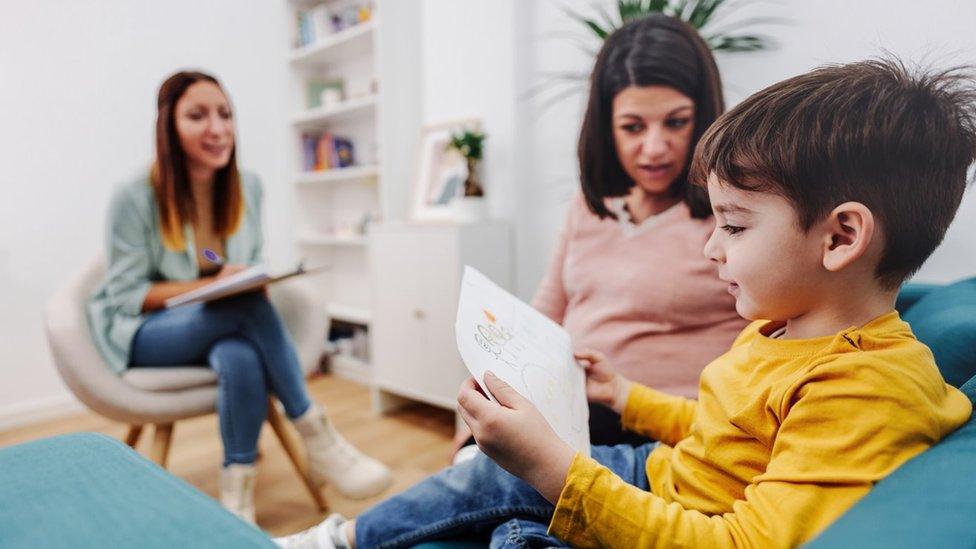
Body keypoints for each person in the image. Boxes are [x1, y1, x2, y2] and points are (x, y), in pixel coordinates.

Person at [276, 57, 975, 548]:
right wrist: (628, 394)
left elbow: (742, 540)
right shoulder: (783, 328)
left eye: (732, 227)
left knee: (517, 523)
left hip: (681, 510)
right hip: (666, 477)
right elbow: (721, 431)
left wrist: (555, 467)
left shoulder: (864, 389)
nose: (711, 248)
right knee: (497, 482)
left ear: (841, 236)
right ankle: (340, 536)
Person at [87, 71, 392, 524]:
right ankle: (317, 434)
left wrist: (248, 278)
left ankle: (237, 498)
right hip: (145, 332)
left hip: (222, 325)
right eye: (197, 115)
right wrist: (214, 288)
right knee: (242, 306)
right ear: (167, 126)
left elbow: (246, 262)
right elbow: (128, 295)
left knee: (240, 355)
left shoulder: (247, 187)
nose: (217, 128)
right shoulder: (133, 196)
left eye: (225, 114)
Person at [456, 14, 747, 455]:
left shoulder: (735, 215)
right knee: (481, 470)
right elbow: (545, 313)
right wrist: (493, 390)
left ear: (704, 117)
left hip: (666, 425)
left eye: (676, 122)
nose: (654, 148)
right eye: (633, 127)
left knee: (489, 485)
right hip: (571, 408)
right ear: (606, 128)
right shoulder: (590, 206)